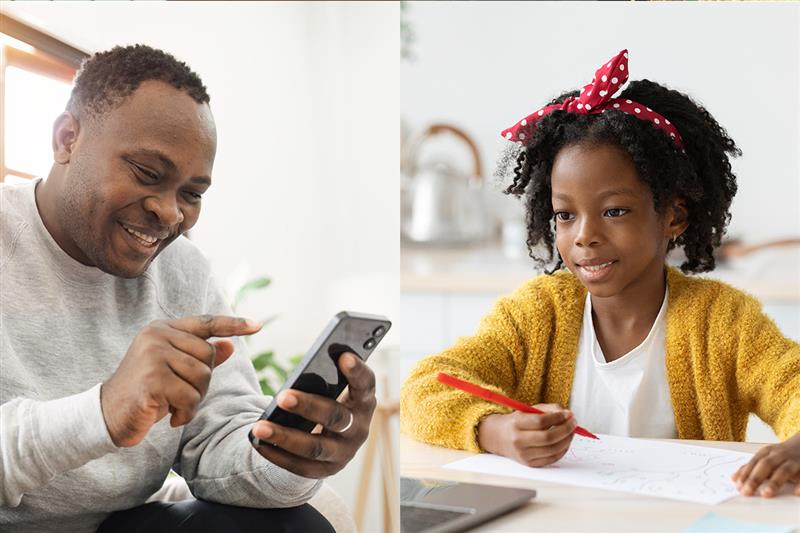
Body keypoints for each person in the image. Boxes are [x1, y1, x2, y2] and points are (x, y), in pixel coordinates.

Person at [0, 44, 376, 532]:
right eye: (147, 174)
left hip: (117, 524)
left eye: (192, 194)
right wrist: (104, 410)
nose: (171, 213)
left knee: (303, 523)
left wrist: (290, 455)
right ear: (67, 139)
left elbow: (219, 443)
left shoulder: (181, 270)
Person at [400, 49, 800, 499]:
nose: (584, 236)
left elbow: (791, 384)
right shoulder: (536, 315)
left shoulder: (723, 321)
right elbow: (425, 389)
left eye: (614, 210)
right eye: (565, 215)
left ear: (673, 216)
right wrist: (496, 431)